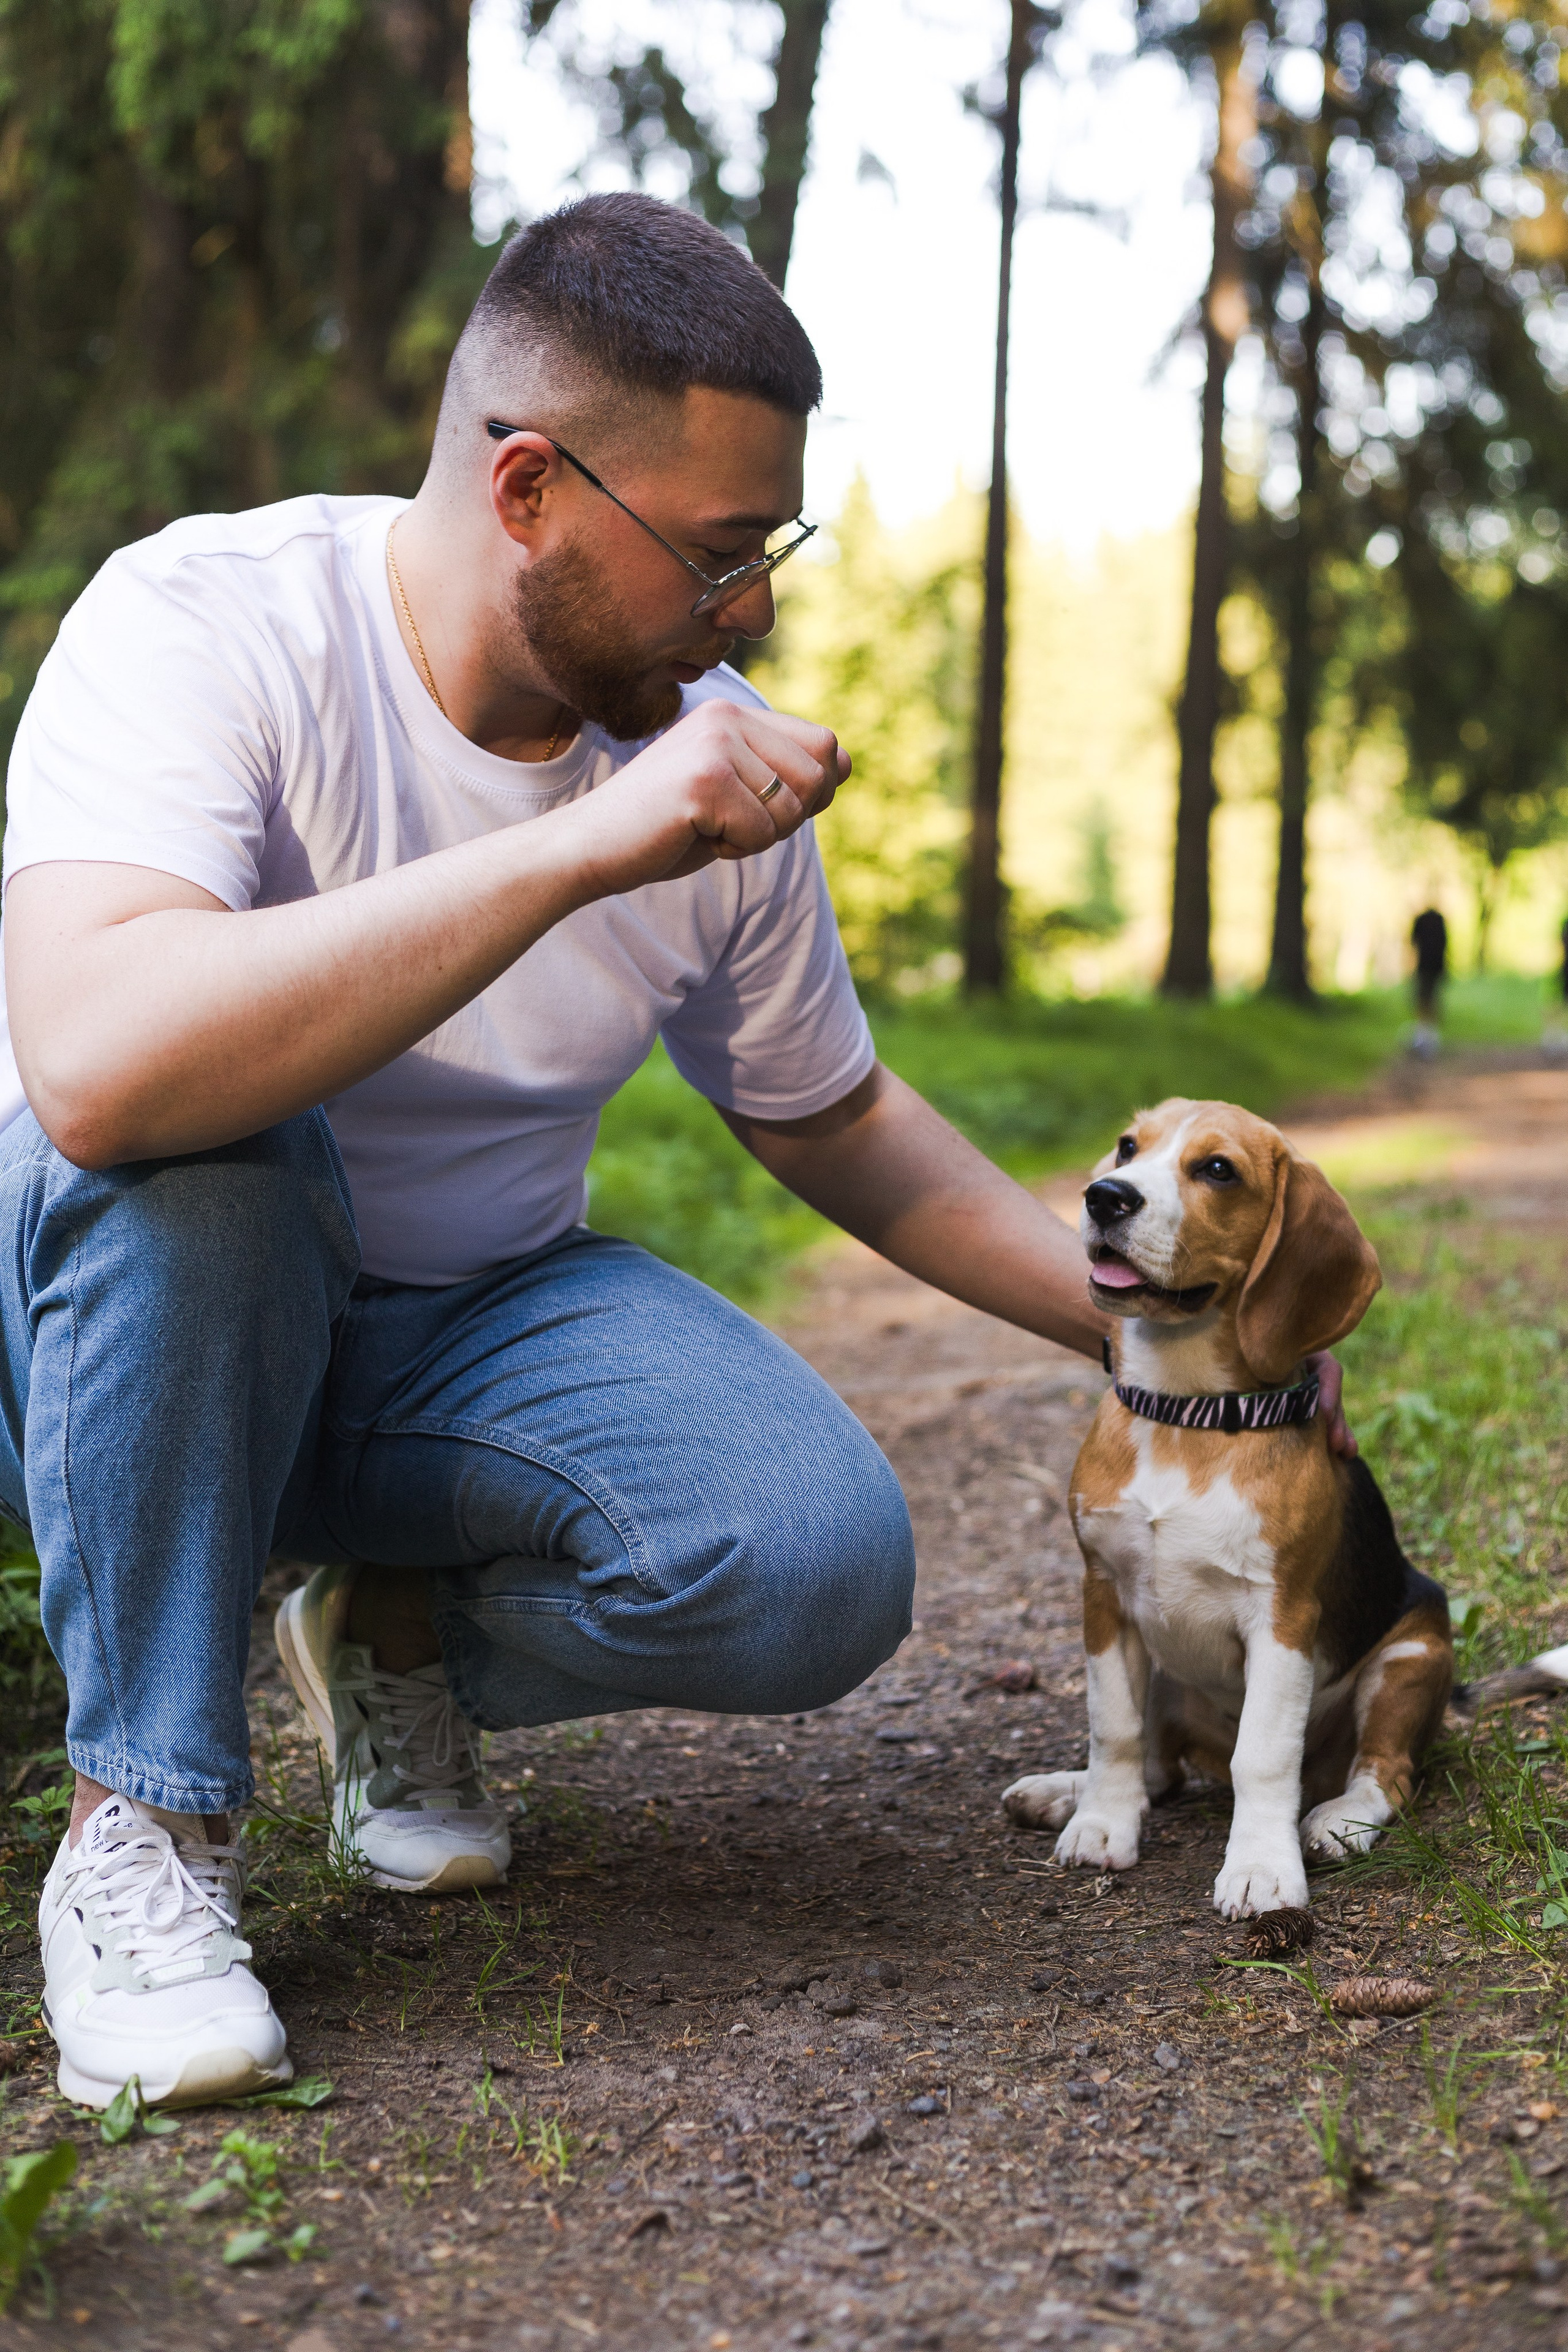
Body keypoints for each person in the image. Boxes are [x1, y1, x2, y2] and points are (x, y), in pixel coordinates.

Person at [4, 195, 1352, 2113]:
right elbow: (99, 1072)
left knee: (812, 1560)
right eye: (721, 553)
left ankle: (389, 1622)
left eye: (770, 551)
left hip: (457, 1333)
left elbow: (832, 1111)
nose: (757, 613)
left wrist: (1163, 1333)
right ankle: (141, 1820)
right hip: (116, 1332)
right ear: (530, 489)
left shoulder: (702, 754)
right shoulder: (206, 622)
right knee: (223, 1156)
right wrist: (583, 846)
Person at [1410, 906, 1447, 1059]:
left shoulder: (1425, 920)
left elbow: (1413, 943)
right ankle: (1428, 1035)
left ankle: (1426, 1035)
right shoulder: (1439, 921)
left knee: (1424, 1000)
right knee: (1430, 1001)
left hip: (1427, 967)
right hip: (1434, 967)